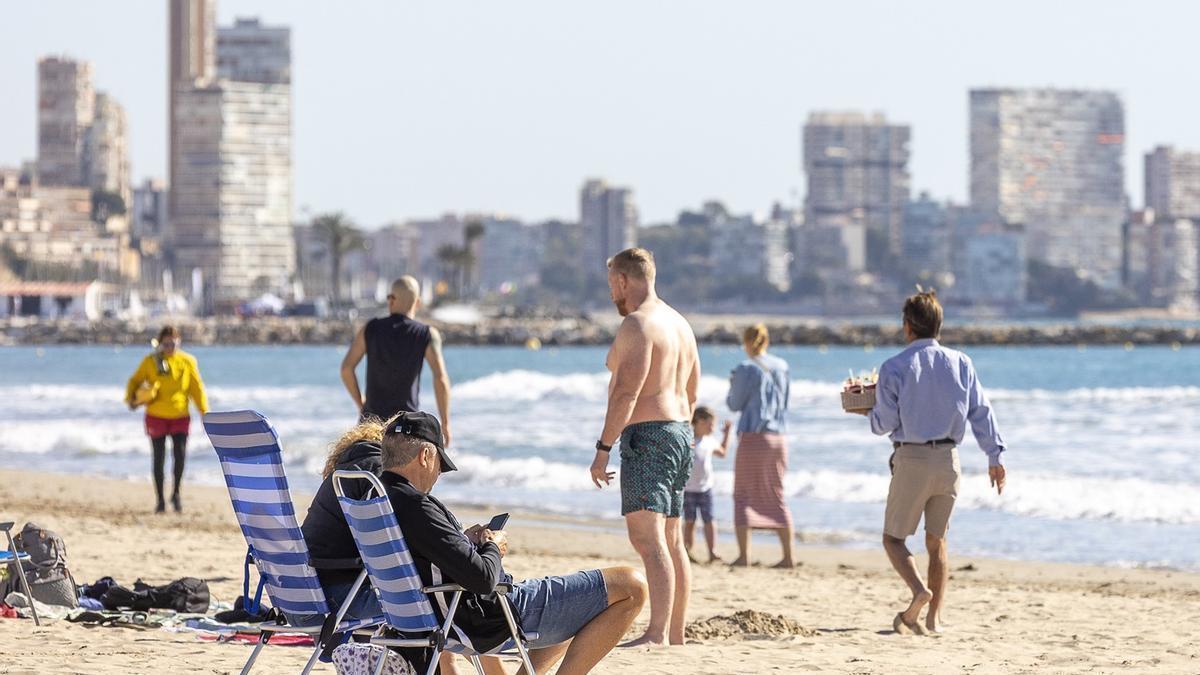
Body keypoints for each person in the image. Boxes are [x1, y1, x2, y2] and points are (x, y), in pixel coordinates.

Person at [379, 411, 648, 674]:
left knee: (578, 603)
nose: (438, 474)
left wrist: (462, 540)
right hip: (488, 616)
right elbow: (482, 579)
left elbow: (427, 558)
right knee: (631, 585)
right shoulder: (418, 506)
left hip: (435, 617)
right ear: (426, 456)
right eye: (440, 465)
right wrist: (493, 545)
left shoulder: (377, 503)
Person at [852, 289, 1007, 635]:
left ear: (907, 327)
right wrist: (995, 456)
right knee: (937, 541)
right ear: (938, 325)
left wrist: (868, 411)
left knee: (893, 539)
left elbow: (885, 424)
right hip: (950, 461)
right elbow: (981, 411)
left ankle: (919, 591)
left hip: (912, 457)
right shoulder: (961, 363)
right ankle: (934, 619)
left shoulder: (894, 366)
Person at [293, 417, 486, 675]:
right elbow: (394, 537)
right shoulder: (375, 475)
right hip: (338, 596)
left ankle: (450, 666)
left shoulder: (350, 469)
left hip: (303, 593)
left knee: (438, 584)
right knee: (446, 594)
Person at [588, 247, 700, 647]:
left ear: (623, 280)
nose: (611, 296)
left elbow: (625, 394)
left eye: (611, 287)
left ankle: (655, 634)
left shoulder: (637, 324)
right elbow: (692, 388)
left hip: (649, 436)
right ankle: (674, 632)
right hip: (680, 432)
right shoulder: (679, 323)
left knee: (647, 539)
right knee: (671, 539)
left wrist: (603, 448)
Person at [341, 276, 452, 446]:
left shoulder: (371, 329)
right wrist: (445, 424)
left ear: (391, 300)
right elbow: (441, 378)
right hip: (406, 428)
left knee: (367, 471)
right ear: (417, 303)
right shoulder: (426, 334)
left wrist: (361, 404)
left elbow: (347, 369)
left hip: (370, 427)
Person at [727, 324, 795, 568]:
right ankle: (788, 556)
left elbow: (734, 404)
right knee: (776, 493)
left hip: (754, 436)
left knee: (743, 494)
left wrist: (732, 384)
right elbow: (785, 403)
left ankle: (744, 555)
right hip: (779, 437)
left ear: (747, 342)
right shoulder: (782, 366)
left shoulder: (746, 368)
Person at [124, 325, 208, 513]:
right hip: (156, 416)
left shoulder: (187, 361)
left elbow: (197, 388)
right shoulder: (150, 361)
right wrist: (131, 398)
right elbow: (134, 380)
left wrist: (204, 412)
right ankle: (160, 499)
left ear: (179, 342)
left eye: (173, 343)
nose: (170, 346)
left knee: (180, 456)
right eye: (166, 343)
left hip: (180, 415)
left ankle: (176, 494)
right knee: (158, 458)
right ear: (160, 343)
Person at [682, 406, 730, 564]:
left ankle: (712, 552)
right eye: (710, 424)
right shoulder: (688, 439)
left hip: (705, 488)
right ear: (698, 422)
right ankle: (687, 550)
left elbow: (722, 453)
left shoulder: (709, 441)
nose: (712, 428)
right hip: (688, 488)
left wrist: (727, 434)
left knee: (709, 520)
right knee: (690, 521)